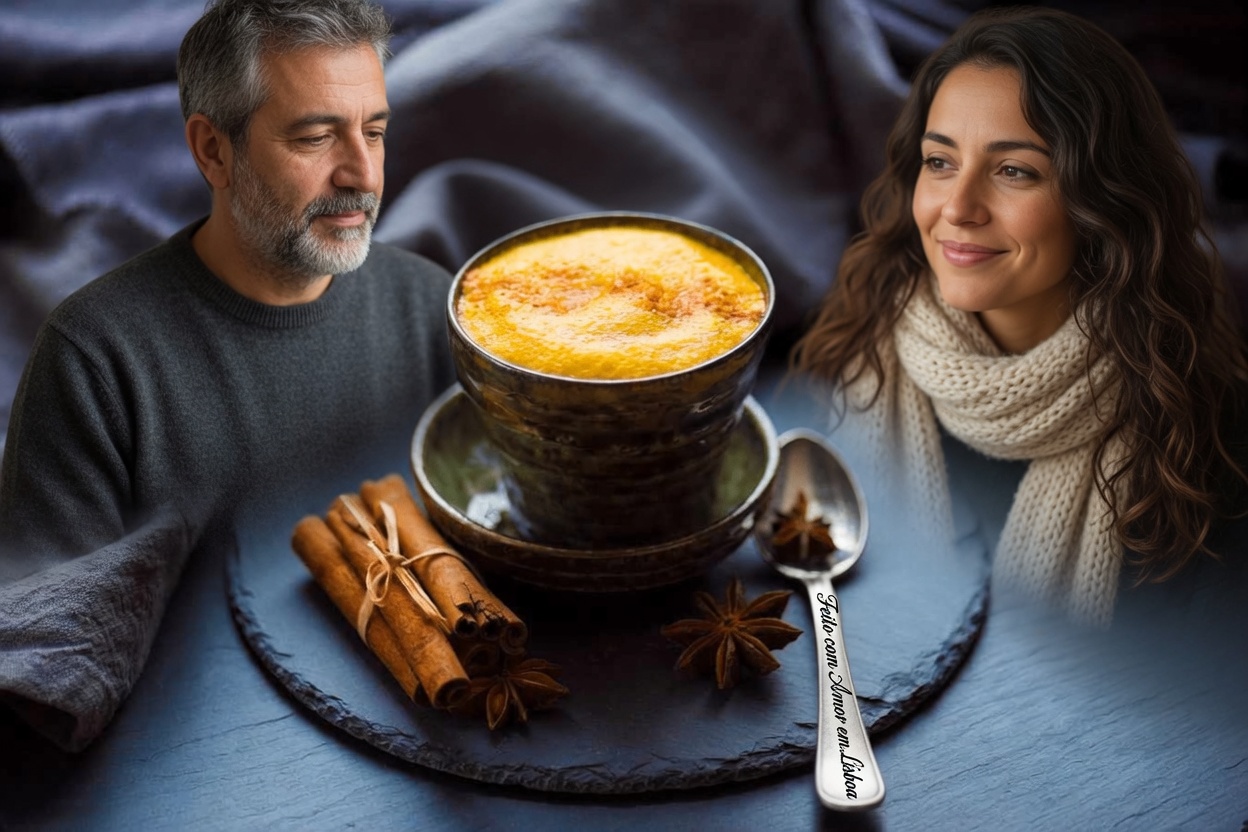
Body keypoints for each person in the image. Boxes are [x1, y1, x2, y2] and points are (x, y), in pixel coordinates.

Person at [0, 0, 456, 749]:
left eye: (373, 131)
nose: (363, 174)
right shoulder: (94, 359)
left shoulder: (425, 303)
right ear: (213, 150)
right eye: (315, 136)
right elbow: (44, 668)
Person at [790, 6, 1248, 626]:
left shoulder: (1200, 445)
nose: (958, 207)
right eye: (940, 161)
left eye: (1014, 171)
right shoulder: (852, 353)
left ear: (1105, 199)